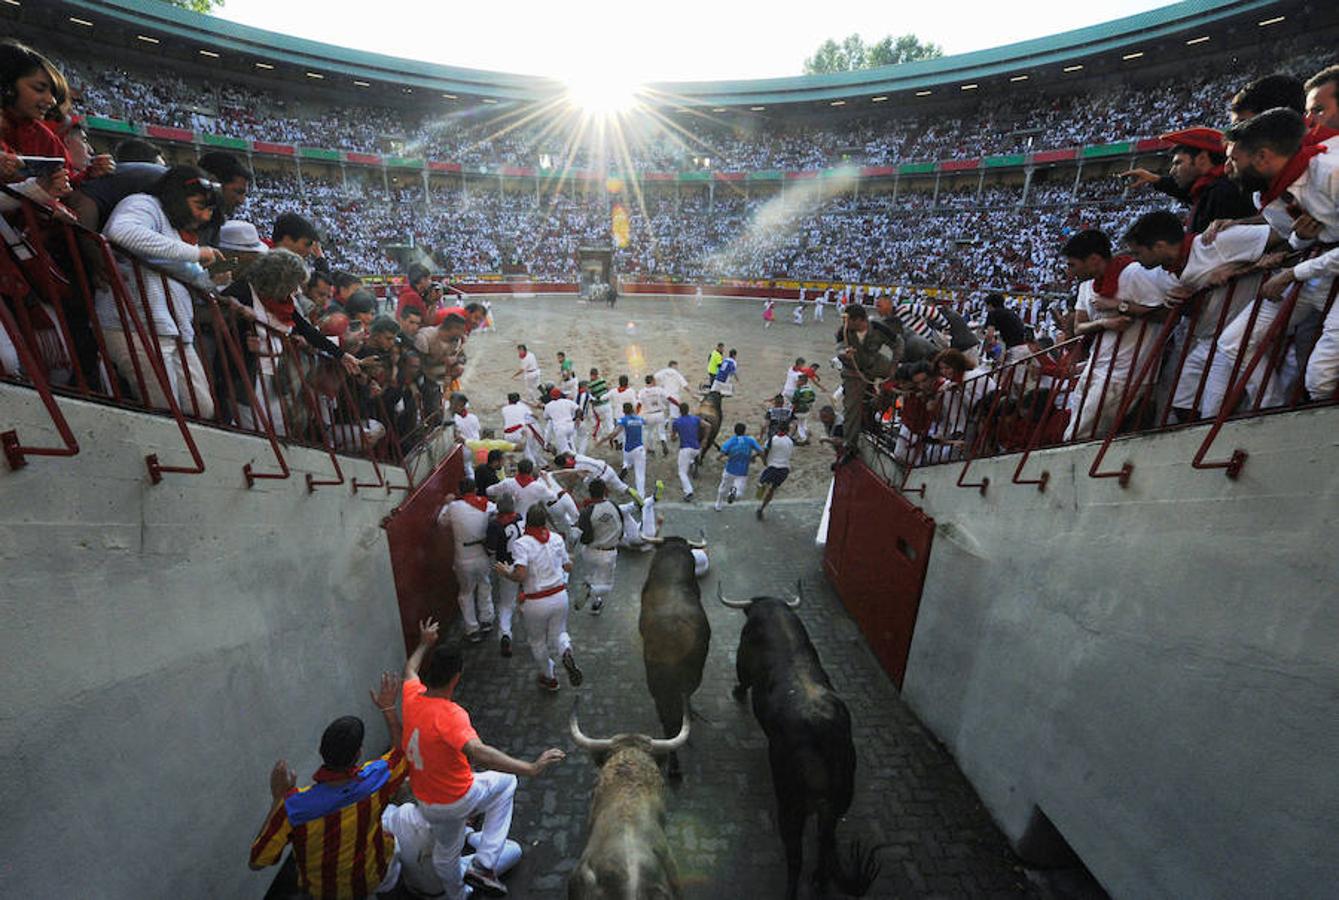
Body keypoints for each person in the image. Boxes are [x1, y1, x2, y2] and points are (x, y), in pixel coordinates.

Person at [401, 619, 565, 896]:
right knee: (507, 783)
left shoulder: (411, 697)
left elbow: (409, 669)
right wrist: (531, 767)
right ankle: (485, 863)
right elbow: (478, 752)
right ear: (457, 676)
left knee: (446, 854)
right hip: (456, 798)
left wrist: (423, 644)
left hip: (426, 801)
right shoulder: (451, 715)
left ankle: (457, 894)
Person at [249, 673, 440, 899]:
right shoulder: (376, 780)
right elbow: (401, 753)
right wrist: (387, 707)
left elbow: (258, 862)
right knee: (398, 817)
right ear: (358, 753)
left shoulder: (293, 806)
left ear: (321, 752)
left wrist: (277, 798)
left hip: (325, 893)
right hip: (372, 877)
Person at [94, 165, 223, 419]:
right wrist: (195, 253)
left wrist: (209, 277)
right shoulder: (144, 204)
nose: (205, 217)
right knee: (164, 409)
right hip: (133, 324)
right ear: (177, 196)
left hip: (173, 330)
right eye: (199, 205)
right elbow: (122, 232)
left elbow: (177, 267)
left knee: (201, 409)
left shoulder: (173, 229)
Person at [1061, 229, 1176, 440]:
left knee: (1079, 437)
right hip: (1096, 367)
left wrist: (1122, 307)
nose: (1069, 272)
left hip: (1124, 373)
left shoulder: (1135, 274)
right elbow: (1079, 327)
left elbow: (1169, 313)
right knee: (1078, 429)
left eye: (1072, 265)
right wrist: (1106, 322)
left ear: (1094, 260)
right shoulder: (1087, 285)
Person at [495, 505, 585, 690]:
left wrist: (506, 572)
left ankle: (549, 676)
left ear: (528, 521)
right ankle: (565, 651)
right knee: (559, 633)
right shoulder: (556, 539)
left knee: (537, 641)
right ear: (545, 521)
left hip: (536, 600)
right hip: (560, 595)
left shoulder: (522, 544)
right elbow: (568, 567)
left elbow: (520, 575)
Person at [1119, 127, 1255, 233]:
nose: (1172, 171)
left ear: (1201, 159)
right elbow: (1186, 191)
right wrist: (1154, 179)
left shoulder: (1223, 193)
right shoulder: (1213, 188)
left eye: (1178, 163)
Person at [835, 302, 899, 463]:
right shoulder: (843, 331)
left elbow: (898, 343)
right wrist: (845, 354)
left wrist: (894, 365)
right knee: (851, 409)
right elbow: (839, 349)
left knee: (900, 379)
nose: (845, 324)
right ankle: (850, 446)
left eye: (848, 321)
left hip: (875, 363)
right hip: (853, 371)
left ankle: (878, 405)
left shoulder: (878, 327)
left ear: (859, 320)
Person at [438, 479, 496, 643]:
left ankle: (472, 629)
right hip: (483, 554)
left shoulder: (454, 507)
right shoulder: (487, 505)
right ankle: (487, 619)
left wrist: (447, 503)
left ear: (459, 492)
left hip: (463, 556)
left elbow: (441, 522)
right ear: (476, 489)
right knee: (485, 584)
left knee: (466, 592)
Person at [484, 491, 525, 658]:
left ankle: (506, 633)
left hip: (506, 567)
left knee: (506, 603)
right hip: (523, 564)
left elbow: (491, 549)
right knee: (527, 598)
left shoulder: (495, 525)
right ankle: (533, 632)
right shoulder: (520, 519)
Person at [575, 478, 623, 614]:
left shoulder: (586, 513)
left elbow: (585, 538)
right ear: (605, 491)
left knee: (592, 577)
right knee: (607, 585)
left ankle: (595, 605)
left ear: (589, 493)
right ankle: (592, 592)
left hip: (589, 552)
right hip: (608, 553)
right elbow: (621, 527)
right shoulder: (613, 506)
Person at [715, 422, 764, 511]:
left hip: (730, 469)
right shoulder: (750, 440)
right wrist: (754, 456)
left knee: (723, 488)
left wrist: (718, 458)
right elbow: (761, 451)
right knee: (739, 493)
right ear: (744, 431)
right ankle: (733, 493)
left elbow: (721, 454)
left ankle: (718, 505)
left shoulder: (730, 441)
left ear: (735, 431)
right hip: (742, 472)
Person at [605, 401, 648, 498]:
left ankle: (625, 468)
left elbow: (615, 433)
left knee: (627, 461)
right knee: (640, 475)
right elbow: (645, 422)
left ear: (624, 410)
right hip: (639, 448)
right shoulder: (640, 419)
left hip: (628, 448)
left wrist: (607, 439)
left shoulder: (623, 420)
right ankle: (641, 496)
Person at [755, 421, 794, 520]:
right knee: (772, 489)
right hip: (784, 469)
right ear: (787, 430)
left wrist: (764, 461)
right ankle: (762, 507)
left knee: (761, 484)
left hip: (772, 467)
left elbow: (765, 452)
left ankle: (760, 493)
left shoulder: (772, 440)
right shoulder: (790, 441)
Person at [500, 391, 545, 464]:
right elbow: (534, 416)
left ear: (509, 400)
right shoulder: (523, 407)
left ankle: (512, 467)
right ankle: (533, 467)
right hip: (520, 432)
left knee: (509, 452)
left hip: (507, 434)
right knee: (527, 452)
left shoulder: (504, 409)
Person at [670, 401, 702, 501]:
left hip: (686, 449)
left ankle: (689, 491)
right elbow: (708, 426)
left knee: (682, 472)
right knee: (690, 457)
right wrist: (705, 439)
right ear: (688, 410)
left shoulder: (677, 422)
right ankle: (692, 462)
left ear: (680, 411)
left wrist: (675, 436)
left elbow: (673, 438)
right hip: (697, 448)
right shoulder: (695, 419)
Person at [638, 373, 671, 456]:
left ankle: (651, 449)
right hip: (660, 413)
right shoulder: (659, 389)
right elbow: (670, 398)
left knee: (649, 431)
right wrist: (678, 404)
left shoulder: (642, 391)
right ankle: (663, 440)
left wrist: (636, 413)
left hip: (649, 414)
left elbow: (639, 404)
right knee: (662, 432)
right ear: (652, 381)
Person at [790, 373, 818, 443]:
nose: (797, 382)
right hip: (807, 410)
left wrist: (791, 410)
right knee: (804, 424)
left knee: (799, 425)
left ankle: (803, 438)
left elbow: (794, 402)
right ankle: (807, 433)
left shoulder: (798, 391)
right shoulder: (810, 390)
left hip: (799, 410)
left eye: (798, 381)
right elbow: (812, 399)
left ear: (802, 382)